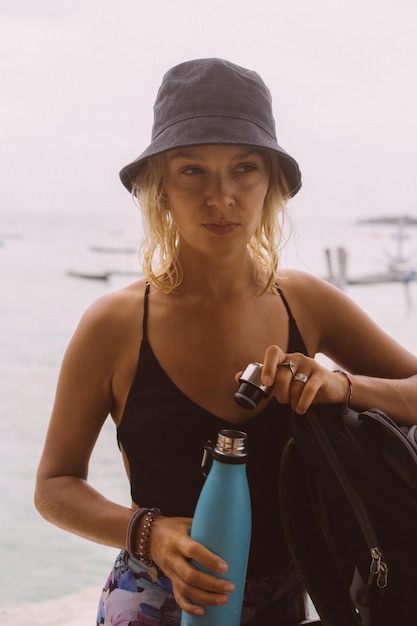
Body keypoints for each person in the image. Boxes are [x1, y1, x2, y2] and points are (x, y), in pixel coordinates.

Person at [34, 58, 417, 625]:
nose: (221, 197)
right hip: (152, 603)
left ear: (272, 182)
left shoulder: (306, 303)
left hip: (290, 602)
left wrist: (344, 386)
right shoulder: (113, 325)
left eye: (244, 169)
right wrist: (149, 534)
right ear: (160, 184)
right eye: (193, 171)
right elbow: (55, 485)